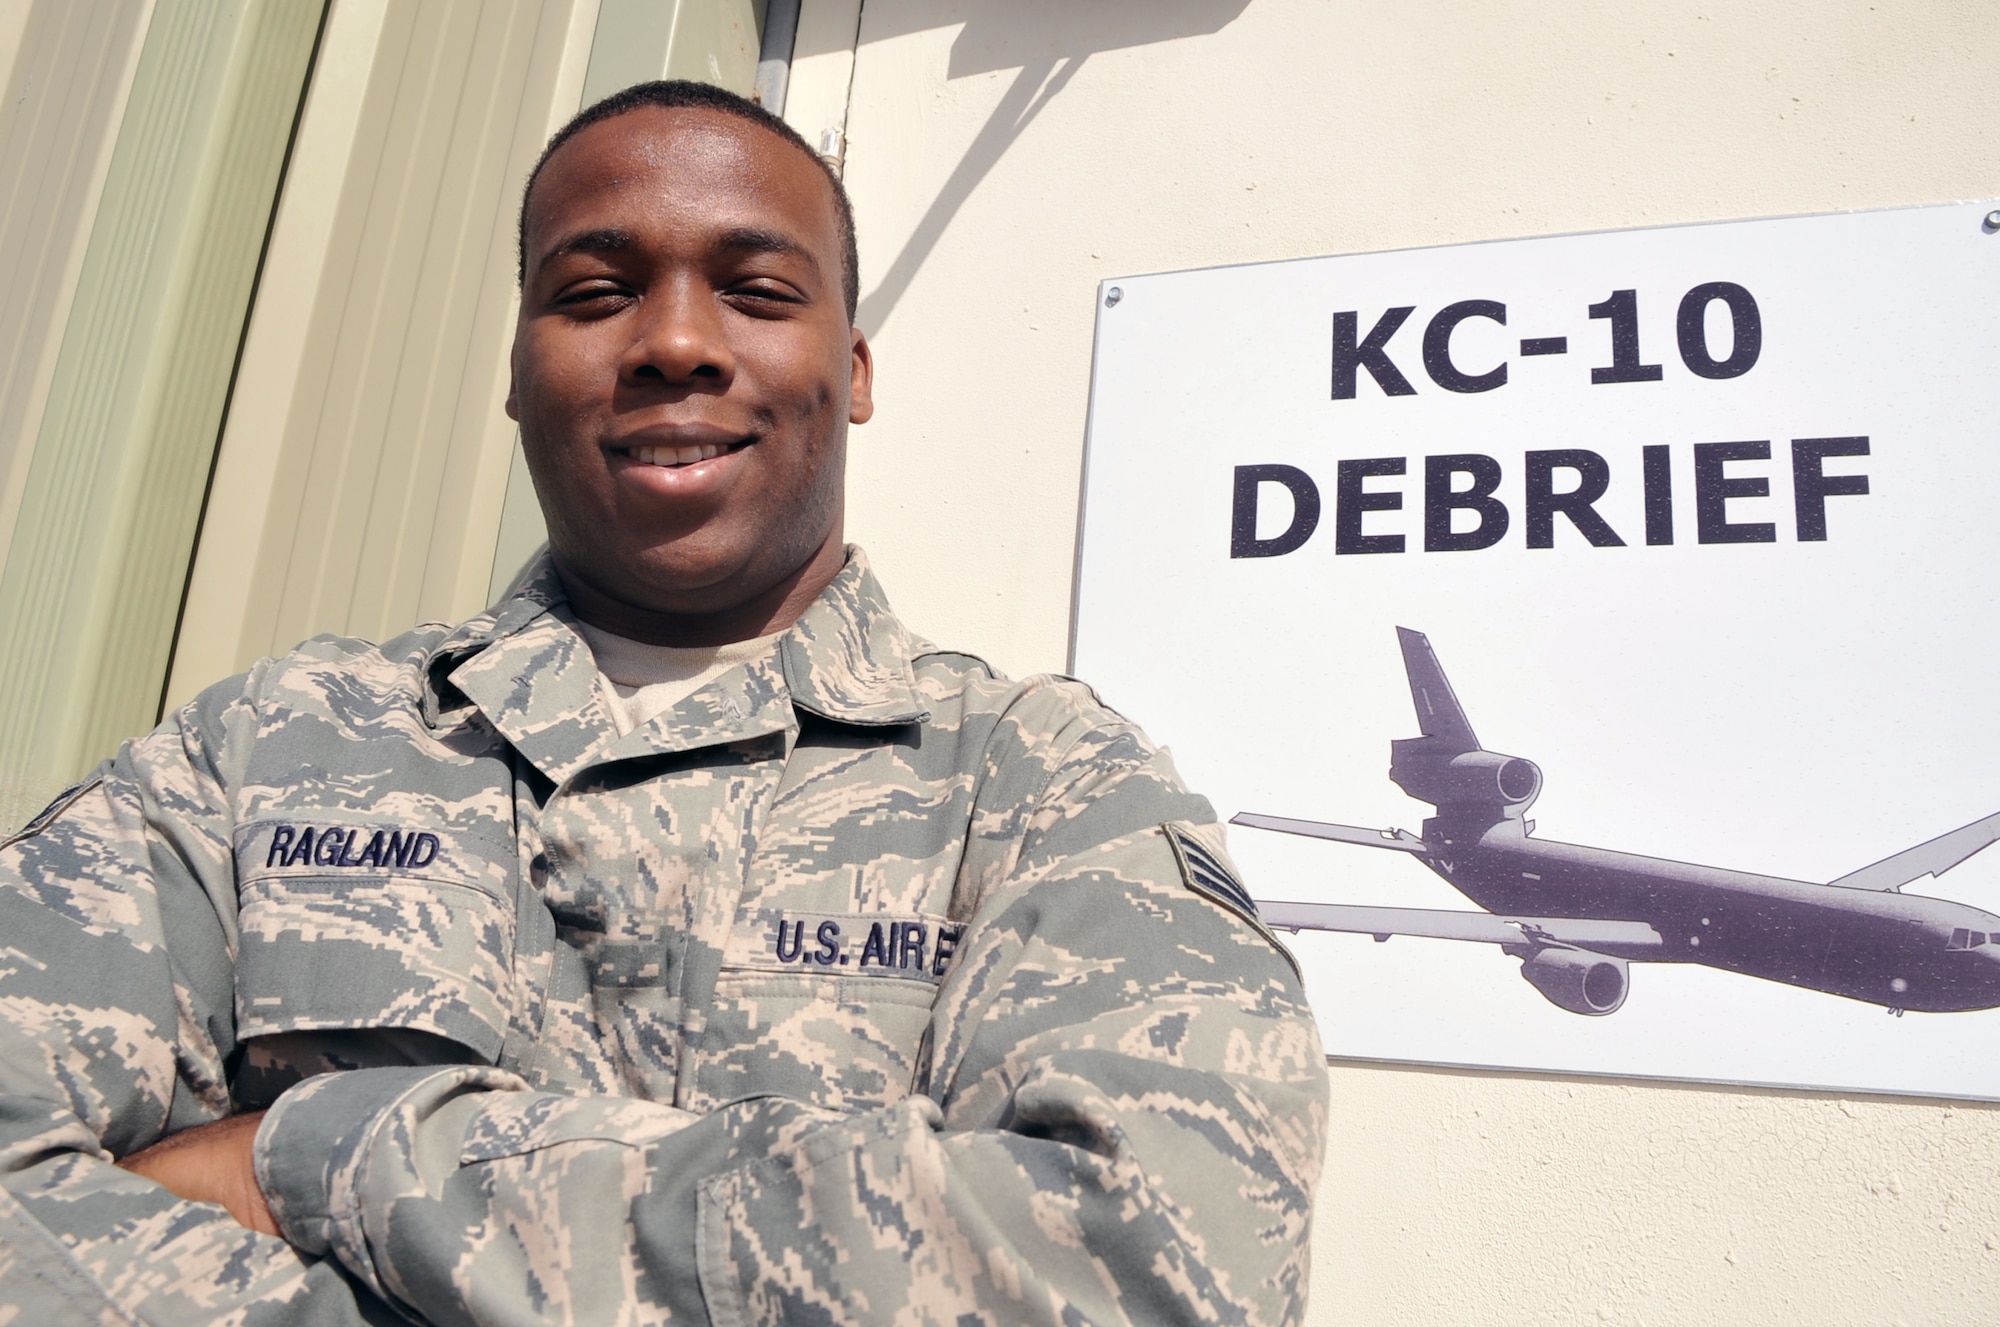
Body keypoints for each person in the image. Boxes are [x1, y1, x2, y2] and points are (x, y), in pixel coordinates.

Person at [0, 80, 1327, 1325]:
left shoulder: (1034, 782)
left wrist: (321, 1157)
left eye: (754, 291)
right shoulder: (271, 754)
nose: (677, 343)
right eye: (595, 293)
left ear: (852, 371)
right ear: (517, 371)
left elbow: (1160, 1255)